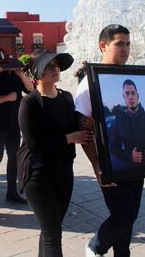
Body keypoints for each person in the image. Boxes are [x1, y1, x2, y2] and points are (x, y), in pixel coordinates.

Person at [76, 24, 143, 257]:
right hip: (111, 165)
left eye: (127, 44)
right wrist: (97, 166)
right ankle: (95, 246)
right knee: (123, 216)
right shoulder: (90, 83)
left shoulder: (130, 78)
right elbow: (84, 132)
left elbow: (143, 124)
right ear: (103, 45)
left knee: (129, 220)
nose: (125, 49)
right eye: (119, 44)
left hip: (136, 165)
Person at [18, 50, 93, 256]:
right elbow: (35, 145)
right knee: (53, 233)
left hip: (64, 173)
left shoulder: (67, 98)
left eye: (56, 65)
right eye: (49, 66)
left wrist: (84, 122)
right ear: (37, 74)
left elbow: (75, 124)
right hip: (38, 176)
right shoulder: (29, 103)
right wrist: (70, 138)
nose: (55, 69)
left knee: (51, 227)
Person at [0, 65, 34, 203]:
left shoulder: (16, 75)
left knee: (14, 157)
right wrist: (7, 98)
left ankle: (11, 192)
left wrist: (21, 74)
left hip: (13, 125)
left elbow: (30, 89)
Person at [109, 79, 145, 170]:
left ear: (137, 95)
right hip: (130, 169)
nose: (130, 96)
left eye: (133, 93)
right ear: (124, 96)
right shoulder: (120, 120)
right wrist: (129, 156)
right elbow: (114, 147)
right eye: (127, 94)